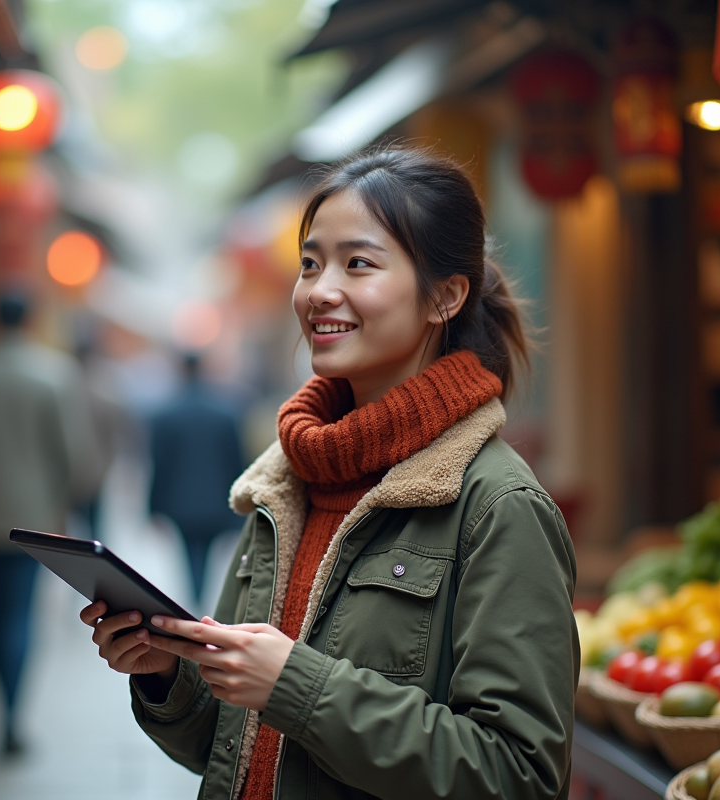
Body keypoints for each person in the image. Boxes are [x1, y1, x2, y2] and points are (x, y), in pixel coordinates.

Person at [80, 148, 578, 799]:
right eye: (310, 263)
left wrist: (296, 686)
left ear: (445, 296)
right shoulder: (283, 482)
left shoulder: (496, 505)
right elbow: (225, 747)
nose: (319, 291)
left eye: (359, 263)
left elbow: (521, 775)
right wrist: (165, 676)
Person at [0, 290, 99, 756]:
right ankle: (13, 717)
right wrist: (66, 499)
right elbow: (74, 456)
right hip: (36, 518)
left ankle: (0, 710)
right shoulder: (54, 374)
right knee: (21, 615)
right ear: (30, 318)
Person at [148, 352, 246, 605]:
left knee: (190, 555)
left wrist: (152, 506)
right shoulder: (225, 412)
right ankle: (199, 600)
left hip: (179, 502)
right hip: (216, 501)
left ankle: (194, 600)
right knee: (207, 557)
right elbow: (235, 461)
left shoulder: (165, 414)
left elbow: (159, 464)